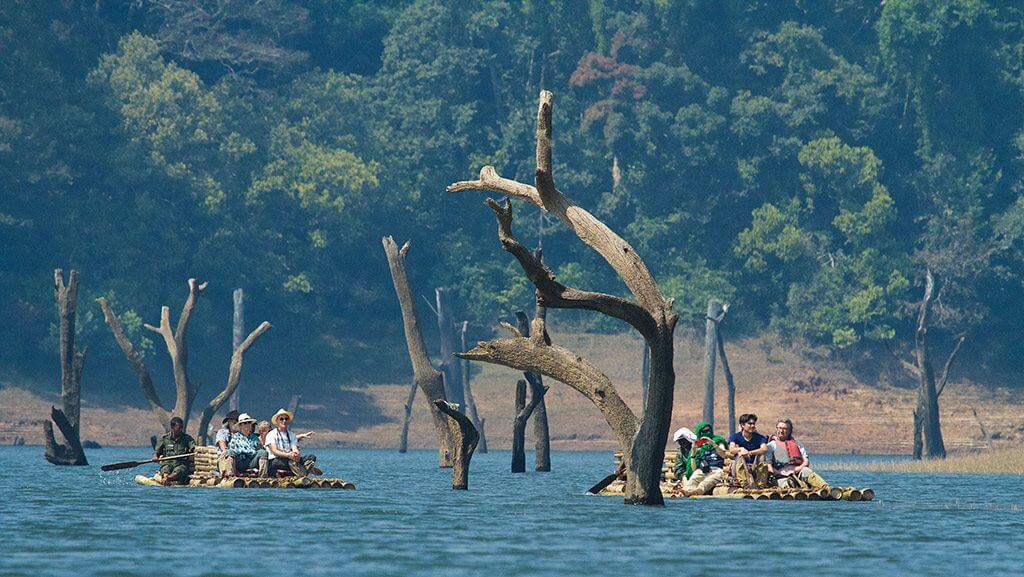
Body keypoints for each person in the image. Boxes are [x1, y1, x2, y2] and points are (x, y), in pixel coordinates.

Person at [766, 418, 829, 489]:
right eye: (780, 428)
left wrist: (797, 469)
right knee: (786, 483)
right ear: (777, 429)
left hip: (798, 472)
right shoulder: (770, 446)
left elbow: (806, 462)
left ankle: (826, 488)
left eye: (785, 429)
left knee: (807, 471)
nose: (781, 431)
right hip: (780, 476)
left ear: (789, 431)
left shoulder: (798, 444)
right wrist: (781, 473)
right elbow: (769, 467)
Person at [681, 421, 729, 496]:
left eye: (709, 430)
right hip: (703, 469)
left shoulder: (718, 441)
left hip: (717, 469)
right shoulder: (699, 446)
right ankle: (686, 492)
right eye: (704, 431)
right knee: (693, 480)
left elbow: (723, 454)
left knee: (705, 482)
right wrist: (693, 453)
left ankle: (695, 492)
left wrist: (713, 443)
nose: (707, 433)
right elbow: (693, 468)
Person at [265, 408, 317, 477]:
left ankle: (298, 468)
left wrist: (296, 455)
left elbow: (294, 448)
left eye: (286, 419)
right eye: (281, 419)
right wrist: (288, 455)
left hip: (291, 458)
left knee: (311, 457)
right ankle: (302, 470)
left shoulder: (292, 435)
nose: (284, 421)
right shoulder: (271, 434)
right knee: (286, 462)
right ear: (277, 421)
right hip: (276, 460)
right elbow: (274, 451)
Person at [727, 413, 770, 488]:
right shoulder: (735, 436)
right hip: (739, 467)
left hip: (754, 466)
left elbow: (764, 449)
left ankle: (761, 485)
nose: (752, 426)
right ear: (742, 425)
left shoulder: (760, 437)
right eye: (749, 424)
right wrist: (741, 449)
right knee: (740, 456)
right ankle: (744, 484)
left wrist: (750, 452)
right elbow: (731, 449)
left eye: (753, 424)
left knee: (762, 456)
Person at [153, 417, 195, 485]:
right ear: (172, 428)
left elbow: (193, 447)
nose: (181, 429)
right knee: (165, 469)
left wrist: (194, 451)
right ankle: (166, 477)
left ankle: (168, 479)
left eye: (182, 427)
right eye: (178, 428)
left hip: (181, 464)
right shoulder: (164, 439)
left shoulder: (187, 438)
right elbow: (156, 451)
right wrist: (155, 456)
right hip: (168, 463)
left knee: (180, 470)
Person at [228, 413, 269, 477]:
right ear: (240, 425)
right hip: (240, 462)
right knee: (230, 452)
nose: (247, 425)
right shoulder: (235, 437)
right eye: (245, 423)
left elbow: (260, 450)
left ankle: (263, 476)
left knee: (263, 452)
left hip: (252, 462)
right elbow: (233, 451)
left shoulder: (255, 437)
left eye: (249, 422)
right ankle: (231, 475)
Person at [215, 410, 239, 477]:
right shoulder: (222, 432)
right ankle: (230, 474)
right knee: (229, 453)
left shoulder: (241, 434)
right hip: (225, 459)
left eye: (237, 421)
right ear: (228, 422)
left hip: (239, 459)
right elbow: (224, 449)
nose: (235, 423)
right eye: (233, 421)